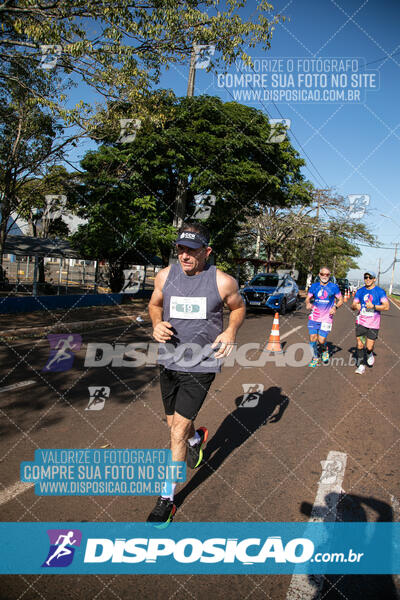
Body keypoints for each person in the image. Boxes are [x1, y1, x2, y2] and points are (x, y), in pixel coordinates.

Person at [146, 222, 246, 525]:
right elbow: (154, 304)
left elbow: (238, 308)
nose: (185, 255)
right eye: (181, 248)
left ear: (207, 251)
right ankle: (195, 442)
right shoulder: (165, 275)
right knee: (174, 426)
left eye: (192, 249)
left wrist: (230, 330)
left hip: (201, 365)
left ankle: (167, 500)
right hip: (168, 360)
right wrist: (155, 323)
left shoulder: (223, 282)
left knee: (176, 431)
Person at [351, 271, 389, 374]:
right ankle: (361, 366)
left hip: (373, 324)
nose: (367, 279)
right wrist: (355, 306)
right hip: (361, 322)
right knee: (360, 345)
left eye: (370, 277)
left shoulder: (380, 292)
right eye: (365, 277)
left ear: (374, 279)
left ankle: (369, 353)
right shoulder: (360, 291)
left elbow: (386, 306)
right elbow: (353, 305)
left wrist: (374, 307)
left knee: (369, 347)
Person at [305, 267, 343, 367]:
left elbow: (341, 300)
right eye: (322, 274)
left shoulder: (334, 287)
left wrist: (335, 307)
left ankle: (324, 349)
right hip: (314, 316)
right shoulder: (314, 286)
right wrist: (308, 303)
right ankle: (315, 358)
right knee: (313, 338)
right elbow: (308, 298)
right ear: (319, 274)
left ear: (329, 276)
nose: (324, 276)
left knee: (321, 340)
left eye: (327, 275)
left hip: (327, 317)